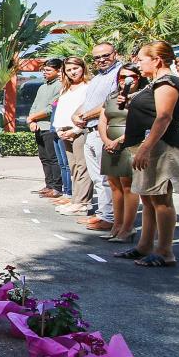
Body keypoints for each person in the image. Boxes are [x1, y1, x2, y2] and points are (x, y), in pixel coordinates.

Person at [116, 41, 179, 267]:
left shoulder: (168, 82)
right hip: (148, 147)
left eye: (141, 59)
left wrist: (146, 148)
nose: (138, 64)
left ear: (156, 60)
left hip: (163, 148)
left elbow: (164, 117)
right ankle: (144, 246)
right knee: (148, 199)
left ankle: (165, 251)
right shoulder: (155, 83)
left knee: (161, 199)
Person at [71, 42, 122, 232]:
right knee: (97, 178)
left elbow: (110, 104)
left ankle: (109, 218)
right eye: (97, 57)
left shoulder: (119, 74)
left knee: (107, 178)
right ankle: (103, 214)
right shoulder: (98, 78)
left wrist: (84, 116)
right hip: (90, 131)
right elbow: (88, 103)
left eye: (105, 55)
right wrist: (76, 114)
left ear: (114, 54)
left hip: (105, 131)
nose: (101, 60)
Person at [99, 64, 146, 243]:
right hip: (110, 141)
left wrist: (119, 141)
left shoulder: (142, 97)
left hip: (130, 141)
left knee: (128, 184)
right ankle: (116, 226)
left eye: (132, 76)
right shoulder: (111, 97)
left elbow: (141, 123)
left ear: (138, 78)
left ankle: (128, 227)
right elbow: (103, 120)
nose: (126, 80)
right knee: (114, 184)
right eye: (122, 76)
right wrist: (106, 140)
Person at [53, 57, 93, 216]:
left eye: (75, 68)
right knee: (73, 167)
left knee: (83, 167)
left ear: (83, 67)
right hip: (64, 131)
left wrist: (75, 130)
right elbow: (61, 111)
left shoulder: (88, 87)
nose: (72, 72)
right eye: (68, 70)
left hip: (79, 131)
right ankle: (76, 199)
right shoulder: (65, 89)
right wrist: (59, 130)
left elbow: (87, 111)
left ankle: (83, 203)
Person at [27, 59, 65, 198]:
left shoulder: (60, 86)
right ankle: (48, 185)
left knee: (53, 158)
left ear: (58, 70)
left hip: (49, 126)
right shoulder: (42, 87)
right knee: (44, 157)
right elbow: (35, 105)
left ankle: (57, 187)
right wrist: (31, 120)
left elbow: (51, 108)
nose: (45, 72)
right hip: (38, 126)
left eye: (48, 70)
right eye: (44, 70)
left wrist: (32, 118)